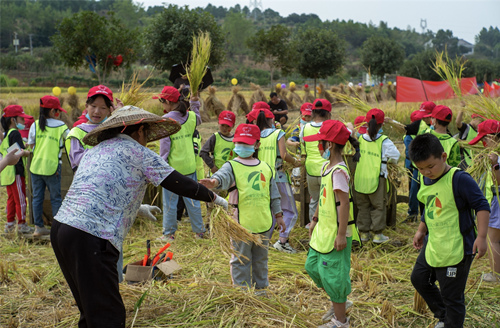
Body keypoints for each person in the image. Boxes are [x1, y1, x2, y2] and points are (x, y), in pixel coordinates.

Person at [51, 105, 228, 327]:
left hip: (62, 229)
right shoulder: (138, 152)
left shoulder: (96, 150)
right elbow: (178, 182)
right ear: (140, 131)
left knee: (90, 307)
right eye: (146, 134)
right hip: (90, 235)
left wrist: (139, 208)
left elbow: (101, 189)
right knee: (108, 316)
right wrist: (214, 198)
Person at [409, 133, 489, 328]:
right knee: (419, 278)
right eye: (420, 168)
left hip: (457, 248)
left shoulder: (459, 179)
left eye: (430, 166)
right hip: (434, 242)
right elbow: (430, 207)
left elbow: (482, 205)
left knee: (452, 296)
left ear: (443, 157)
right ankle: (444, 316)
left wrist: (482, 236)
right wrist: (421, 230)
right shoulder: (423, 177)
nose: (426, 172)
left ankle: (452, 322)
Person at [200, 123, 284, 292]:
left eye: (247, 143)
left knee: (261, 260)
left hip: (263, 222)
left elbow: (273, 194)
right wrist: (214, 182)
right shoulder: (232, 165)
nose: (242, 147)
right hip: (240, 224)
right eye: (239, 143)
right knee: (240, 259)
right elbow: (222, 176)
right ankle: (242, 292)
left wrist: (279, 215)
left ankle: (261, 290)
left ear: (257, 145)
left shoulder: (265, 167)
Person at [303, 120, 361, 328]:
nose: (318, 146)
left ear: (330, 145)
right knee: (312, 267)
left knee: (334, 275)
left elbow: (343, 203)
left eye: (320, 142)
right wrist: (314, 220)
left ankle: (341, 320)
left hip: (336, 232)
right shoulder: (327, 167)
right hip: (323, 229)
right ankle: (340, 301)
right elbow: (322, 196)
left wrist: (341, 235)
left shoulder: (339, 172)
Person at [156, 86, 205, 240]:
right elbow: (198, 118)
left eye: (162, 102)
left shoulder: (166, 121)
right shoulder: (190, 116)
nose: (162, 105)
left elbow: (164, 150)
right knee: (193, 201)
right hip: (190, 166)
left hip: (173, 170)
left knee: (170, 203)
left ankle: (169, 234)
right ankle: (199, 232)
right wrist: (195, 103)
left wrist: (161, 170)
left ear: (168, 102)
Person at [254, 107, 302, 253]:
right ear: (271, 120)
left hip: (262, 178)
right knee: (291, 211)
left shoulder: (257, 134)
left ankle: (265, 243)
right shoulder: (278, 133)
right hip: (279, 177)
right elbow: (284, 154)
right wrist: (295, 162)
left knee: (270, 211)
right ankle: (282, 241)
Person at [353, 108, 400, 243]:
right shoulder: (384, 141)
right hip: (377, 180)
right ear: (382, 125)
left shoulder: (359, 139)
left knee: (363, 207)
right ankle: (377, 235)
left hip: (360, 179)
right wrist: (389, 162)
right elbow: (395, 156)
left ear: (366, 123)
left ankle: (364, 234)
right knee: (378, 207)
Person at [27, 96, 70, 237]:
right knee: (56, 198)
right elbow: (70, 141)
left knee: (37, 198)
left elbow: (31, 145)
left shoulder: (35, 125)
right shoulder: (61, 127)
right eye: (57, 112)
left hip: (36, 167)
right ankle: (57, 230)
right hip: (53, 168)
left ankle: (38, 228)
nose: (58, 114)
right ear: (52, 111)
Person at [468, 119, 500, 283]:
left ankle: (495, 274)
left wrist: (495, 165)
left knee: (493, 239)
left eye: (485, 139)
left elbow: (498, 181)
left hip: (497, 202)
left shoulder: (497, 158)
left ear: (493, 137)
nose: (483, 143)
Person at [65, 85, 116, 172]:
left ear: (109, 110)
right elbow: (78, 160)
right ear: (86, 106)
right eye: (93, 106)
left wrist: (120, 114)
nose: (97, 112)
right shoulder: (77, 132)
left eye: (103, 108)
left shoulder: (114, 130)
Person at [1, 105, 33, 234]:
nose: (24, 122)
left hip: (7, 174)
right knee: (21, 199)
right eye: (21, 119)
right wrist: (28, 152)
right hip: (16, 172)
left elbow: (12, 148)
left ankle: (9, 225)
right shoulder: (15, 133)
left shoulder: (7, 134)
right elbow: (18, 152)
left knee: (11, 199)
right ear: (13, 120)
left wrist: (23, 146)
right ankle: (22, 224)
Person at [301, 99, 332, 228]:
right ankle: (326, 226)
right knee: (328, 200)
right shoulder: (331, 126)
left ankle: (314, 227)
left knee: (314, 199)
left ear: (313, 112)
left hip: (311, 170)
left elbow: (303, 144)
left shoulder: (305, 127)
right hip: (327, 169)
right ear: (328, 113)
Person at [403, 109, 427, 223]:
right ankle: (413, 213)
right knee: (413, 189)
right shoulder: (408, 137)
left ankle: (416, 213)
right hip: (412, 166)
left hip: (417, 166)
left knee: (416, 189)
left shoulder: (424, 133)